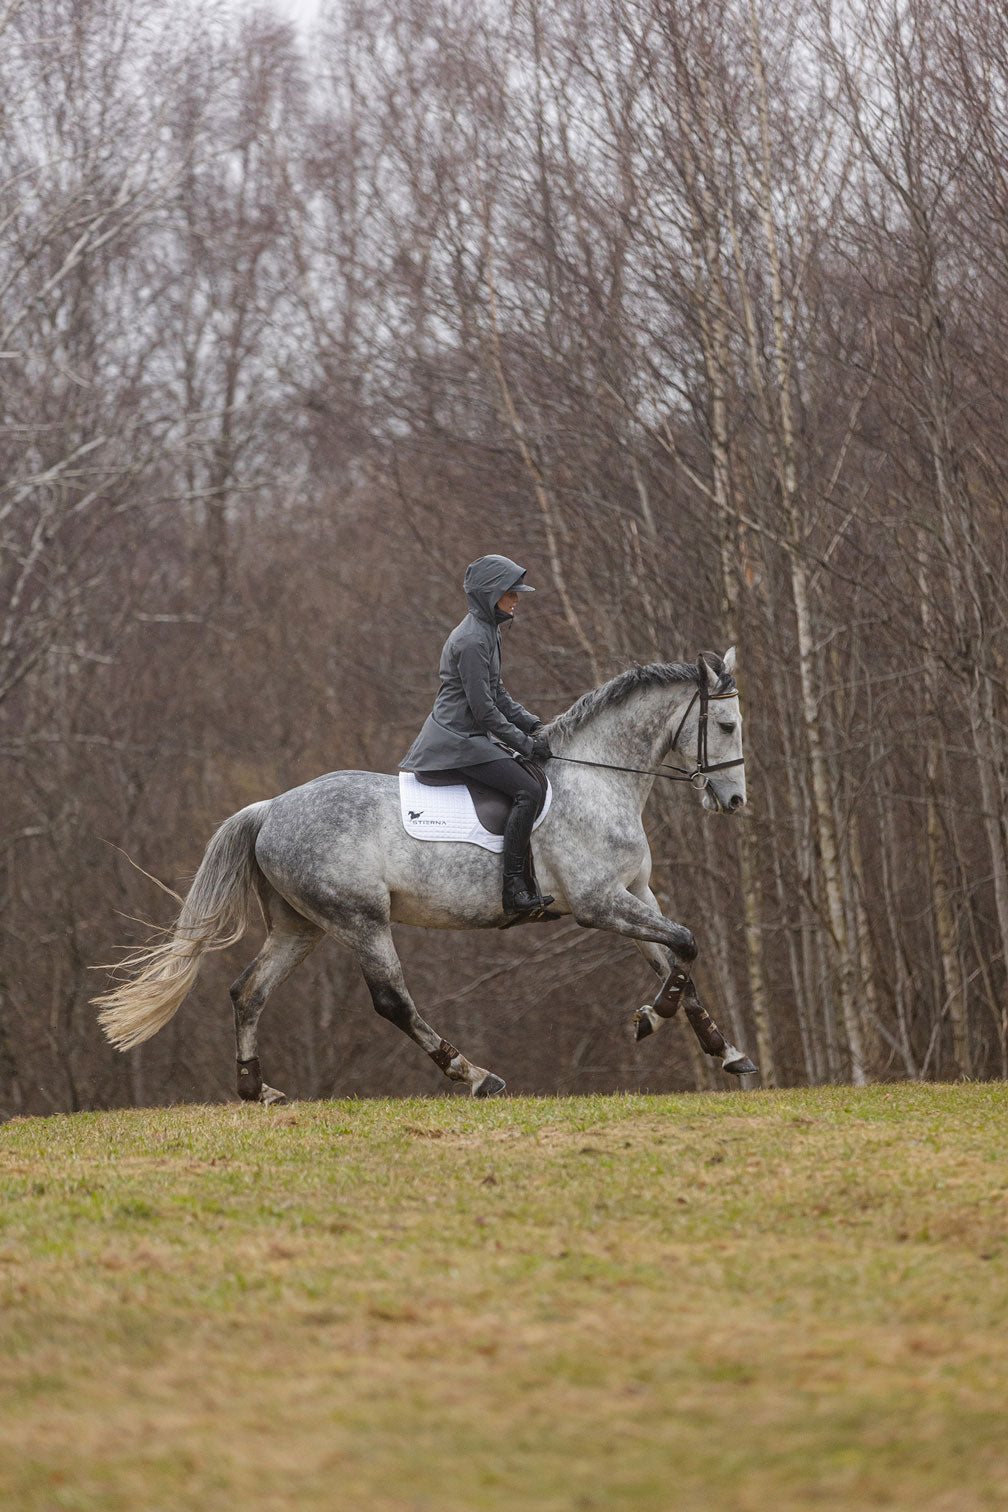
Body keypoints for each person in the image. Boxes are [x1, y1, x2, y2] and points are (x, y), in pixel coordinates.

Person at [400, 554, 554, 916]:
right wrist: (526, 745)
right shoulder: (472, 640)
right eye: (511, 593)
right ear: (490, 594)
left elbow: (498, 695)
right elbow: (484, 710)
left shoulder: (488, 631)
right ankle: (514, 888)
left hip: (471, 736)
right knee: (527, 790)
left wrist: (535, 725)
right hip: (456, 740)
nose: (517, 599)